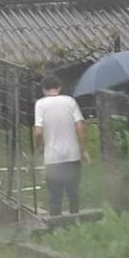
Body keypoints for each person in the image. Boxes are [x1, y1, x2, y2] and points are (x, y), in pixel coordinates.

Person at [34, 74, 89, 216]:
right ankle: (76, 222)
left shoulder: (40, 104)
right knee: (73, 193)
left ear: (43, 89)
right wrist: (84, 150)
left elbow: (38, 132)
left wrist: (38, 147)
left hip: (53, 158)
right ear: (59, 87)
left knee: (55, 195)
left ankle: (56, 225)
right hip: (72, 155)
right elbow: (80, 127)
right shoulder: (70, 102)